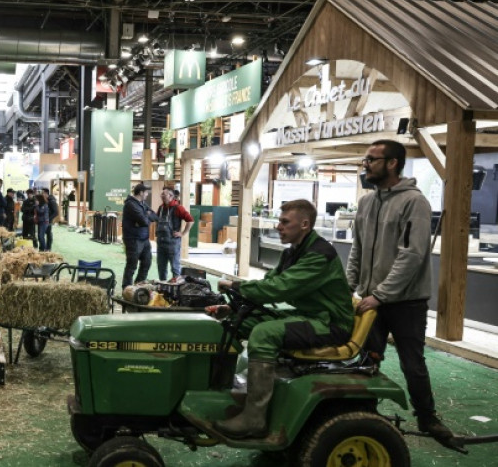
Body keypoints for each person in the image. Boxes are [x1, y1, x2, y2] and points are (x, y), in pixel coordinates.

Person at [209, 199, 353, 439]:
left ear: (304, 224)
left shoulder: (319, 255)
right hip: (310, 316)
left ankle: (254, 418)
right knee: (239, 321)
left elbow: (280, 288)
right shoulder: (293, 252)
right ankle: (223, 389)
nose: (278, 226)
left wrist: (237, 286)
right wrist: (233, 305)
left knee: (264, 333)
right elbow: (269, 283)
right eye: (279, 221)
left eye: (285, 222)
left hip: (330, 323)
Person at [346, 139, 454, 444]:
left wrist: (381, 294)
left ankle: (428, 418)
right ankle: (363, 415)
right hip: (370, 298)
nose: (365, 165)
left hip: (406, 302)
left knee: (412, 363)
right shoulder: (367, 202)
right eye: (366, 159)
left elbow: (413, 254)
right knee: (366, 359)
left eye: (372, 160)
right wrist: (348, 287)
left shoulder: (414, 202)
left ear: (392, 163)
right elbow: (358, 249)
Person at [121, 183, 159, 289]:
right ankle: (127, 288)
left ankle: (138, 286)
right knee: (132, 265)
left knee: (147, 262)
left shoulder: (142, 203)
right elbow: (144, 222)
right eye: (146, 192)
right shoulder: (130, 204)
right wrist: (146, 216)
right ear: (141, 193)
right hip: (133, 239)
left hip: (144, 238)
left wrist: (146, 215)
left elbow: (155, 216)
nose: (147, 194)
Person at [155, 187, 194, 281]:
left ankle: (176, 289)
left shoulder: (178, 208)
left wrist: (183, 233)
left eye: (164, 194)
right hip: (160, 243)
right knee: (161, 268)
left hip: (172, 243)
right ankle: (163, 288)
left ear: (171, 196)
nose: (162, 196)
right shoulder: (161, 208)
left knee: (175, 268)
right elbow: (156, 220)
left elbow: (191, 220)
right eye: (162, 194)